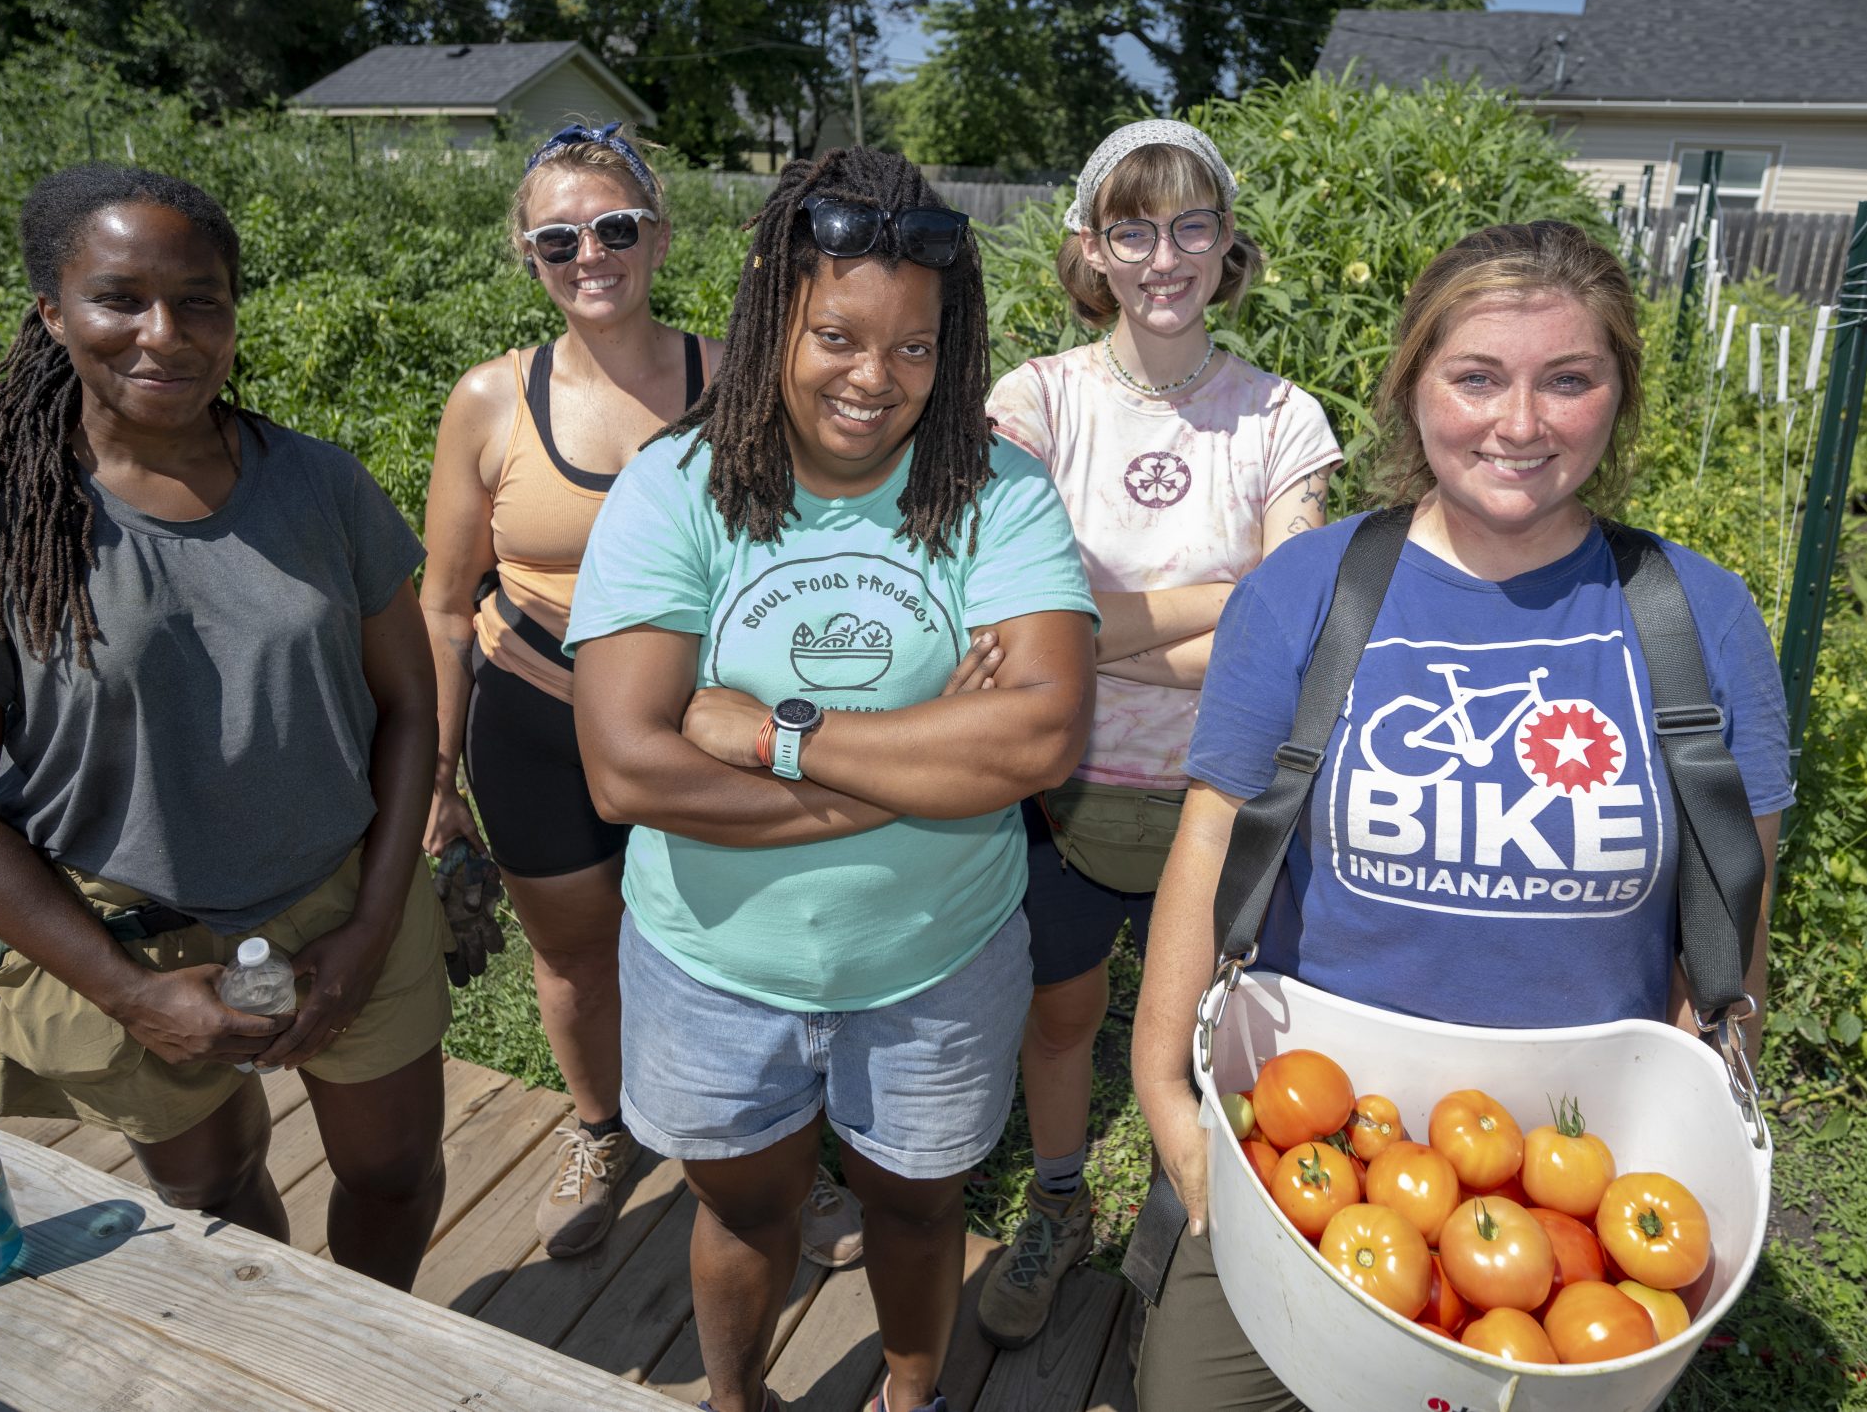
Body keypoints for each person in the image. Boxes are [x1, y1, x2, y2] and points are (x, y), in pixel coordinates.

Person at [1128, 220, 1794, 1409]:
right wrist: (1167, 1095)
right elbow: (1210, 840)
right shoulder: (1307, 592)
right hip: (1313, 1146)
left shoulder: (1698, 616)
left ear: (1618, 396)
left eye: (1569, 379)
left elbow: (1736, 886)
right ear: (1411, 387)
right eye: (1476, 377)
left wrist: (1702, 1094)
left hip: (1568, 1196)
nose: (1520, 424)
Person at [568, 148, 1098, 1412]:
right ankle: (737, 1399)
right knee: (742, 1214)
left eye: (915, 348)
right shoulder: (677, 490)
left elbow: (1038, 741)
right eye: (839, 337)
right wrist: (914, 765)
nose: (877, 379)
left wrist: (771, 732)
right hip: (711, 965)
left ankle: (910, 1394)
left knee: (917, 1219)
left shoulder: (997, 491)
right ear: (773, 322)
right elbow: (624, 766)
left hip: (935, 964)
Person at [0, 164, 450, 1288]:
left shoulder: (319, 487)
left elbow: (410, 705)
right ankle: (268, 1344)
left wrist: (372, 926)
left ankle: (368, 1348)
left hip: (344, 896)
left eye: (202, 301)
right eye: (119, 298)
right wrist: (126, 993)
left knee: (392, 1175)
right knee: (213, 1193)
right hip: (130, 933)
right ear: (52, 311)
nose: (165, 334)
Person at [417, 122, 875, 1266]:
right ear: (528, 256)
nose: (590, 255)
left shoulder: (735, 382)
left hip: (694, 721)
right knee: (574, 953)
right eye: (558, 238)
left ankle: (780, 1160)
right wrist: (435, 782)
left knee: (738, 947)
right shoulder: (489, 401)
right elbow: (439, 600)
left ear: (658, 237)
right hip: (531, 712)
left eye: (615, 227)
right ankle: (600, 1127)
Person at [977, 120, 1340, 1346]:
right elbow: (997, 613)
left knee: (1207, 1034)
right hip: (1059, 785)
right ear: (1092, 247)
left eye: (1192, 226)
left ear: (1228, 246)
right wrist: (1220, 608)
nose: (1164, 256)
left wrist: (1079, 628)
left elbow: (1292, 635)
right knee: (1062, 1015)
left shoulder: (1283, 420)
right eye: (1133, 228)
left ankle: (1186, 1216)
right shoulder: (1031, 402)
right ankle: (1063, 1197)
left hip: (1222, 800)